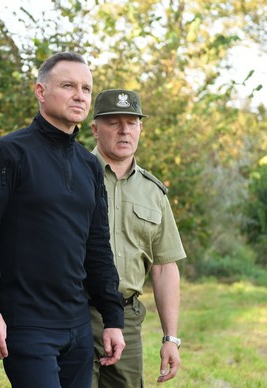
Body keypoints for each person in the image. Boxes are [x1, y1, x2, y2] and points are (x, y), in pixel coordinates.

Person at [0, 51, 126, 388]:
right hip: (26, 324)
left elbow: (97, 246)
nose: (79, 95)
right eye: (68, 85)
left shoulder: (89, 165)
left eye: (86, 88)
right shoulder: (7, 152)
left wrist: (113, 318)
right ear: (40, 91)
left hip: (78, 326)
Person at [90, 89, 186, 386]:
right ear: (95, 129)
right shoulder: (73, 174)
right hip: (75, 312)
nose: (124, 130)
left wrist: (170, 337)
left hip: (126, 317)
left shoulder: (153, 193)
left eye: (131, 122)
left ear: (140, 128)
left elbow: (163, 266)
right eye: (113, 122)